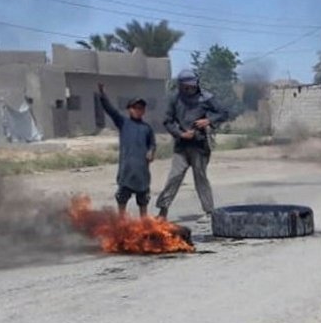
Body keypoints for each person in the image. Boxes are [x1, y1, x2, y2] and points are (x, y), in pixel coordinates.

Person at [155, 69, 229, 220]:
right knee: (174, 177)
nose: (191, 89)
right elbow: (167, 121)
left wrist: (208, 121)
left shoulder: (206, 97)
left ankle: (209, 212)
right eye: (187, 86)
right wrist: (180, 134)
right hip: (181, 146)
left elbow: (224, 113)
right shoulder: (174, 99)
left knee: (200, 177)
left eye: (193, 85)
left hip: (200, 145)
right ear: (181, 86)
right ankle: (163, 210)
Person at [97, 83, 156, 218]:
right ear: (129, 109)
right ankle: (122, 225)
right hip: (126, 171)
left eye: (141, 108)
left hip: (142, 172)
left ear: (144, 111)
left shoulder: (147, 128)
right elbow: (110, 110)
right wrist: (102, 95)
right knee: (122, 200)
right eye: (135, 108)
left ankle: (144, 227)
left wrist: (151, 152)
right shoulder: (123, 123)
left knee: (143, 202)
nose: (138, 110)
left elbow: (152, 144)